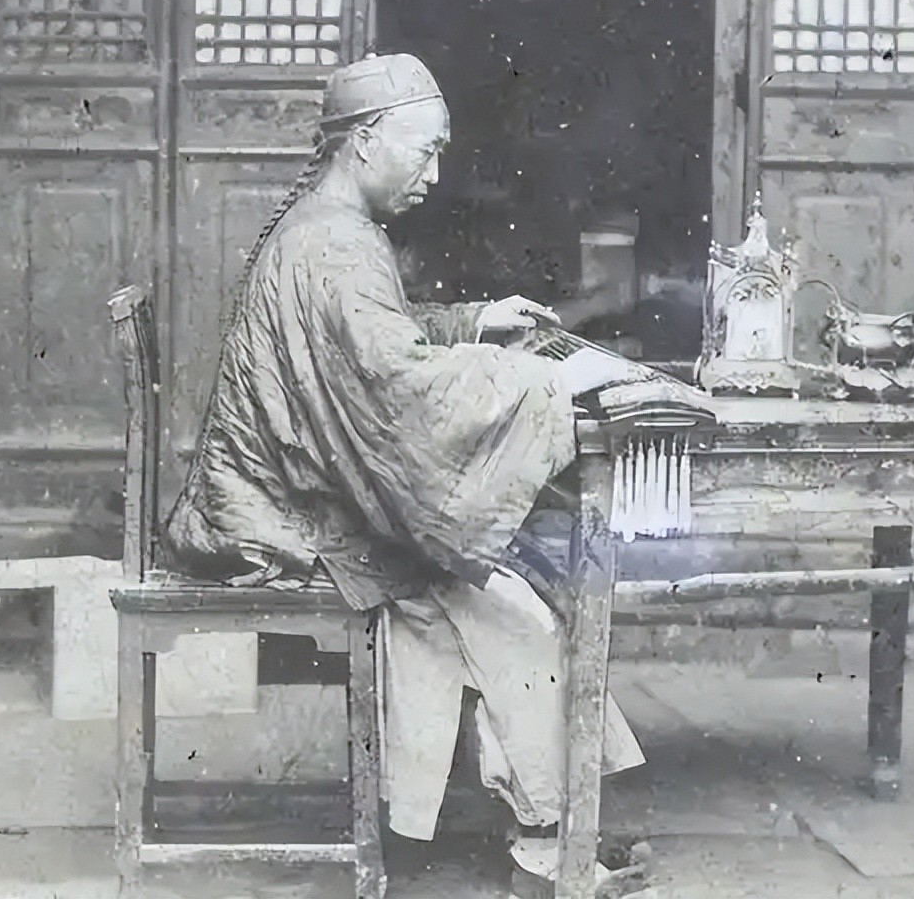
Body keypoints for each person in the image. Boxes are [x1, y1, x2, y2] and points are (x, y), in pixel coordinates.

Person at [165, 52, 644, 894]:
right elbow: (395, 386)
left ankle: (540, 829)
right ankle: (548, 843)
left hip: (286, 491)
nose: (435, 175)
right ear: (365, 141)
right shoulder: (336, 245)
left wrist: (474, 322)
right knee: (510, 609)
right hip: (283, 514)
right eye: (425, 151)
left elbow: (380, 341)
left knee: (496, 588)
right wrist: (543, 382)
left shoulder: (330, 229)